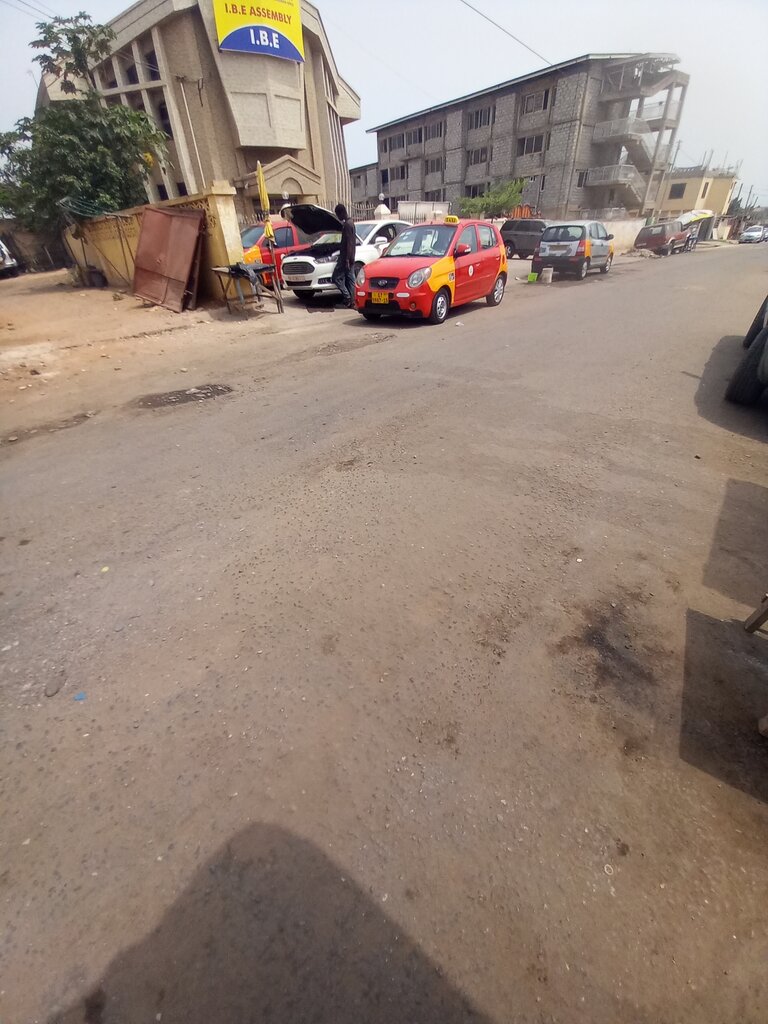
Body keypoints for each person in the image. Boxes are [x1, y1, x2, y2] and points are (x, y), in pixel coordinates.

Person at [332, 203, 357, 308]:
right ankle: (352, 301)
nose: (338, 217)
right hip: (350, 256)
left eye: (338, 215)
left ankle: (347, 298)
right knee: (350, 279)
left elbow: (349, 243)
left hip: (346, 257)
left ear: (341, 213)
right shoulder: (351, 223)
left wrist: (347, 259)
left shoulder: (347, 225)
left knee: (336, 278)